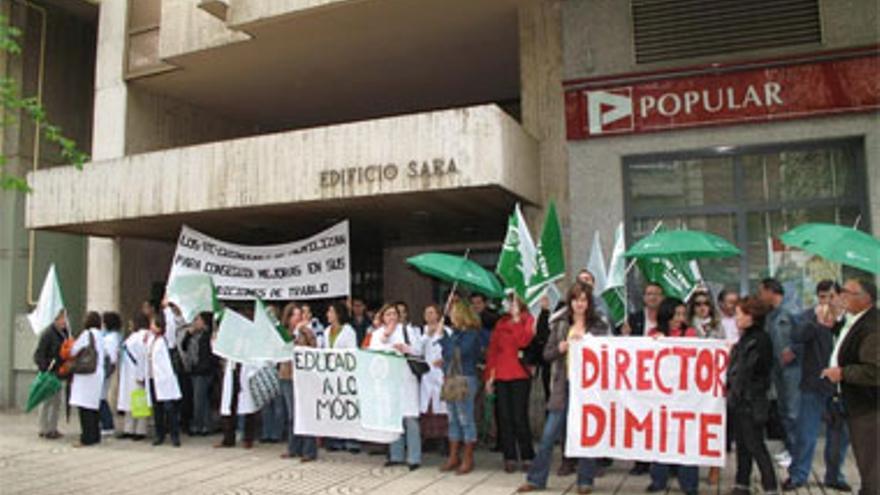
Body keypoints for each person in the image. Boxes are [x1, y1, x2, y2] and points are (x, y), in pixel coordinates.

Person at [517, 282, 605, 494]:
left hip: (588, 388)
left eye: (583, 299)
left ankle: (585, 481)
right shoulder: (560, 324)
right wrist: (561, 347)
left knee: (586, 434)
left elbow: (608, 353)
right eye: (575, 299)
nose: (579, 304)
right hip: (562, 385)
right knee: (549, 435)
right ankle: (536, 479)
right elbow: (546, 354)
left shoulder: (599, 326)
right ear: (570, 302)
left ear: (589, 302)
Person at [784, 280, 851, 491]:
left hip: (841, 386)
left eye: (831, 296)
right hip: (814, 384)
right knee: (806, 433)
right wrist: (817, 323)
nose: (827, 301)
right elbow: (796, 336)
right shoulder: (808, 317)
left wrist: (839, 320)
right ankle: (798, 474)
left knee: (839, 436)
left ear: (839, 297)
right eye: (822, 297)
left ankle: (834, 475)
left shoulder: (848, 320)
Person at [821, 278, 878, 495]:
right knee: (865, 462)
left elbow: (874, 371)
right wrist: (834, 326)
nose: (841, 296)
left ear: (864, 299)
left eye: (846, 292)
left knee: (871, 463)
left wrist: (842, 373)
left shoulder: (873, 327)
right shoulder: (856, 319)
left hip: (869, 407)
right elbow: (848, 344)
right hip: (853, 402)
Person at [646, 298, 698, 495]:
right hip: (660, 397)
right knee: (660, 437)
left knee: (687, 439)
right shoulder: (653, 334)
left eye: (683, 314)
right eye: (677, 314)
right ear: (666, 314)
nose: (680, 319)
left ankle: (689, 484)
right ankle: (658, 480)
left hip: (685, 396)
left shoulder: (690, 333)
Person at [727, 296, 778, 495]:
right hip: (742, 399)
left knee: (755, 445)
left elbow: (750, 370)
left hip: (751, 399)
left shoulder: (759, 340)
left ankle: (770, 486)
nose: (736, 318)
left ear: (751, 316)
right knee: (743, 444)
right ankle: (742, 483)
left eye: (740, 314)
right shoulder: (747, 338)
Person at [367, 303, 423, 470]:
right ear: (383, 317)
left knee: (410, 419)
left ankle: (414, 457)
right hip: (389, 381)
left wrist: (406, 348)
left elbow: (419, 350)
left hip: (406, 379)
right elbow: (373, 353)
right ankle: (396, 454)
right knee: (393, 418)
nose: (391, 317)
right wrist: (386, 336)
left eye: (394, 314)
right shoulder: (376, 334)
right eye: (388, 314)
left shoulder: (407, 330)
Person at [485, 293, 535, 473]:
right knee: (504, 417)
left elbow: (524, 341)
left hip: (520, 374)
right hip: (501, 373)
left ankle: (527, 454)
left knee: (519, 416)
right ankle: (509, 455)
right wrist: (490, 377)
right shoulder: (500, 323)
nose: (508, 304)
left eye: (512, 301)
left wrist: (516, 321)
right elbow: (493, 351)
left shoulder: (528, 319)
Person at [758, 278, 800, 467]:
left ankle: (797, 454)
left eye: (762, 292)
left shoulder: (792, 310)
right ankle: (789, 448)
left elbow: (806, 335)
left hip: (793, 369)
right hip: (777, 369)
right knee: (783, 410)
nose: (760, 297)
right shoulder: (770, 315)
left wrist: (794, 349)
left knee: (793, 411)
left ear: (770, 291)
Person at [438, 301, 481, 475]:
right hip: (452, 377)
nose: (450, 316)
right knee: (453, 419)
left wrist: (443, 338)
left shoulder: (471, 334)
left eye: (454, 313)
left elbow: (458, 353)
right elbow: (447, 355)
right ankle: (454, 456)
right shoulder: (455, 333)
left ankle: (468, 458)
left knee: (465, 418)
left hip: (465, 378)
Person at [323, 301, 360, 453]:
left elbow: (351, 352)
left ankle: (352, 441)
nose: (328, 314)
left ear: (338, 314)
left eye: (331, 312)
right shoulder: (326, 331)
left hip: (345, 374)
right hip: (331, 375)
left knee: (348, 408)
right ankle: (335, 440)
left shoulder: (348, 331)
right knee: (335, 408)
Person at [68, 311, 106, 447]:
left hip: (86, 373)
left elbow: (73, 350)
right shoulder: (101, 335)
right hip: (98, 372)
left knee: (84, 406)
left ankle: (86, 437)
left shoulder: (86, 334)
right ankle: (95, 435)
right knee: (93, 406)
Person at [146, 311, 183, 447]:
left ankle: (174, 435)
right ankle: (159, 434)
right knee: (157, 408)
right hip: (152, 378)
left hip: (163, 379)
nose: (151, 326)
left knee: (169, 408)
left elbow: (164, 364)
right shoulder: (150, 340)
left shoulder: (162, 341)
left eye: (153, 323)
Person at [287, 307, 319, 461]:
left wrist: (305, 330)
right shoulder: (286, 332)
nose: (299, 318)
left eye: (301, 315)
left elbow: (313, 347)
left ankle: (309, 450)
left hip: (303, 377)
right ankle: (293, 448)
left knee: (305, 413)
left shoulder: (306, 331)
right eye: (296, 315)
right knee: (292, 415)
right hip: (287, 375)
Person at [419, 304, 451, 453]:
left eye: (432, 312)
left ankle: (444, 441)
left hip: (440, 373)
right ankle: (429, 439)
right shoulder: (422, 332)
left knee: (442, 408)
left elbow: (452, 349)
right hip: (427, 374)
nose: (429, 315)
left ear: (438, 314)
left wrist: (445, 359)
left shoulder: (447, 331)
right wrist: (427, 336)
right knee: (428, 407)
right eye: (426, 312)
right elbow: (418, 350)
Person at [33, 310, 69, 440]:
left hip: (59, 372)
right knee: (46, 401)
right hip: (49, 372)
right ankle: (43, 428)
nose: (64, 321)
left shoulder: (64, 334)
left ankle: (53, 428)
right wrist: (45, 368)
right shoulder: (48, 334)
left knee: (57, 402)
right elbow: (39, 354)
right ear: (56, 320)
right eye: (62, 319)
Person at [117, 312, 151, 440]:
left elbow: (142, 356)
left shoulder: (143, 336)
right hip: (129, 373)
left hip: (136, 373)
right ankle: (129, 428)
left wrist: (141, 374)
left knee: (139, 401)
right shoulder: (134, 336)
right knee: (129, 401)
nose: (130, 324)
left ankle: (140, 430)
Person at [181, 312, 215, 436]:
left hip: (204, 370)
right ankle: (205, 424)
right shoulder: (193, 335)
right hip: (193, 369)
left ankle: (199, 424)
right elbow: (184, 346)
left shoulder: (207, 335)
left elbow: (210, 354)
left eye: (198, 320)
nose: (195, 322)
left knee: (199, 398)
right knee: (202, 399)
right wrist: (188, 334)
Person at [98, 312, 122, 436]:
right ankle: (104, 424)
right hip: (105, 370)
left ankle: (108, 425)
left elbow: (110, 356)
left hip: (105, 370)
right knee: (100, 397)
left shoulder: (111, 338)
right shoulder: (113, 337)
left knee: (101, 398)